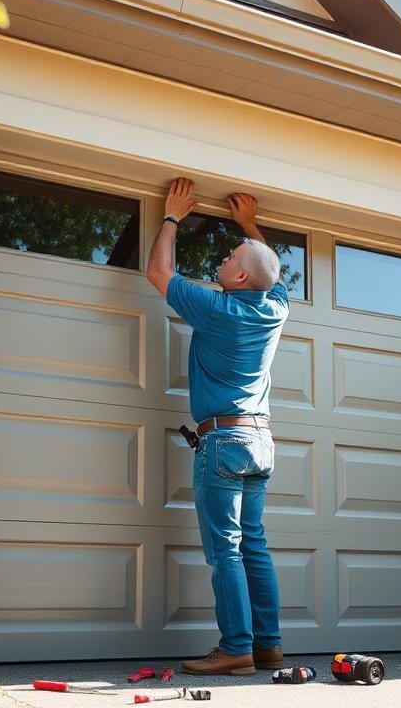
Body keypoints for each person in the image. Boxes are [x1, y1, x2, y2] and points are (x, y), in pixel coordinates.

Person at [145, 177, 289, 676]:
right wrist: (249, 224)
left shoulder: (217, 309)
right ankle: (268, 646)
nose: (221, 262)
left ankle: (235, 649)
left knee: (225, 548)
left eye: (229, 259)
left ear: (241, 279)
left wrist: (171, 217)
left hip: (224, 442)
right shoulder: (275, 308)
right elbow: (273, 268)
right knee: (253, 542)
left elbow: (158, 271)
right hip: (260, 442)